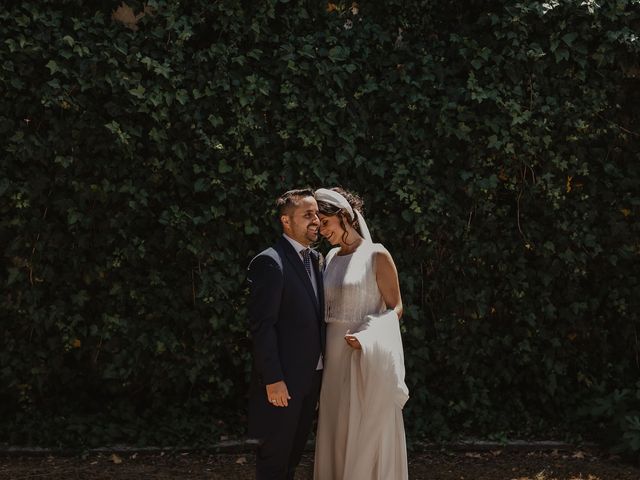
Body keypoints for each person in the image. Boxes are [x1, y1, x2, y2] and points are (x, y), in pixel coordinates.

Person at [313, 187, 409, 480]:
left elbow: (396, 307)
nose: (321, 231)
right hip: (333, 355)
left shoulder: (376, 254)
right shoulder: (329, 257)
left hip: (363, 354)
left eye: (325, 223)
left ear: (343, 216)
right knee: (336, 423)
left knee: (363, 425)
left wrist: (369, 338)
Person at [247, 188, 326, 480]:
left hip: (312, 379)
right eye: (308, 215)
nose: (316, 220)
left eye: (317, 213)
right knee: (274, 461)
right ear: (286, 220)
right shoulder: (270, 261)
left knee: (293, 457)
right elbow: (262, 326)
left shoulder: (317, 260)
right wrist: (273, 379)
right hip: (283, 384)